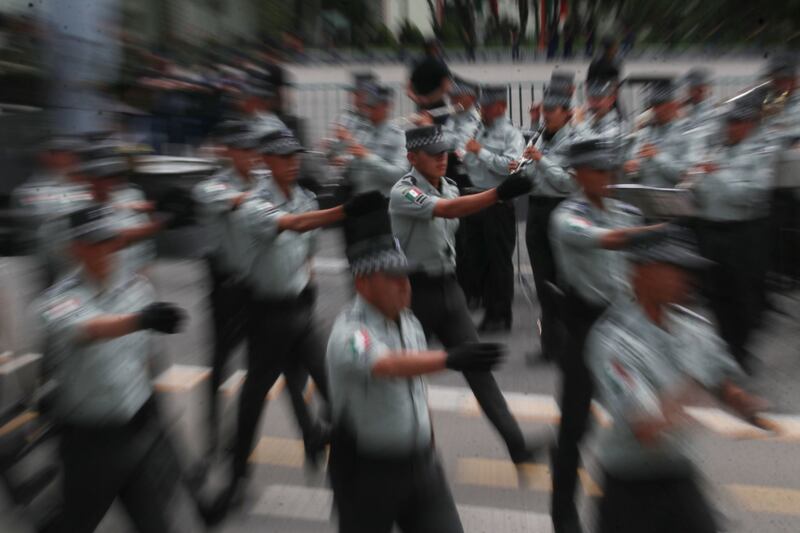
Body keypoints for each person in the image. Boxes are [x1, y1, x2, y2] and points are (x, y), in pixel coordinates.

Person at [209, 129, 385, 521]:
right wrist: (344, 212)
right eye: (284, 158)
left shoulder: (305, 196)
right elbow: (295, 225)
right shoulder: (256, 204)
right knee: (254, 397)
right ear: (267, 161)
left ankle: (355, 467)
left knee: (333, 387)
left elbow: (307, 252)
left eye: (296, 157)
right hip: (265, 313)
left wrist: (308, 292)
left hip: (300, 311)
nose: (293, 163)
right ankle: (236, 480)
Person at [327, 204, 506, 533]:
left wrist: (428, 439)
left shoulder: (409, 323)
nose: (405, 285)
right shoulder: (350, 334)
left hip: (422, 469)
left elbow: (416, 389)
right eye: (393, 277)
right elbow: (386, 364)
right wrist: (450, 358)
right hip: (369, 475)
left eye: (406, 275)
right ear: (363, 283)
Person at [587, 227, 771, 533]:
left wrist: (742, 401)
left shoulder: (692, 327)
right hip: (629, 489)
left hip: (678, 475)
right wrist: (690, 395)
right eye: (674, 268)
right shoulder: (613, 342)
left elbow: (719, 378)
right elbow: (645, 427)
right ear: (641, 272)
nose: (686, 278)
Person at [32, 204, 198, 533]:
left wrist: (156, 420)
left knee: (156, 525)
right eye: (94, 242)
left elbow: (146, 363)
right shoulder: (60, 301)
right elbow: (89, 328)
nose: (106, 250)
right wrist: (140, 320)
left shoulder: (137, 291)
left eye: (110, 240)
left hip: (135, 437)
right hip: (88, 445)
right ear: (76, 248)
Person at [389, 125, 544, 465]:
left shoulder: (449, 186)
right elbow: (447, 210)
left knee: (479, 371)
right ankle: (409, 451)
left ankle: (517, 446)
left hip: (448, 290)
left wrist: (499, 194)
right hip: (413, 294)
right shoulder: (404, 192)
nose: (442, 158)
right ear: (412, 158)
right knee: (406, 379)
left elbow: (461, 207)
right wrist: (499, 194)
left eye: (444, 152)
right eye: (433, 154)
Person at [549, 138, 667, 533]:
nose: (608, 176)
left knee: (641, 416)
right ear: (579, 175)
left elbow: (642, 257)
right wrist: (661, 230)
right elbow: (607, 239)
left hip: (625, 323)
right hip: (585, 325)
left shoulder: (624, 210)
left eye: (610, 169)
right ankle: (563, 512)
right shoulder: (566, 216)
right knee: (575, 427)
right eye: (599, 170)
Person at [192, 121, 268, 453]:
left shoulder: (266, 182)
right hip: (227, 285)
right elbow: (224, 200)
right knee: (221, 362)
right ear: (231, 153)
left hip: (260, 285)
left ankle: (240, 441)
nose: (252, 156)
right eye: (245, 150)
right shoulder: (214, 187)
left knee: (257, 367)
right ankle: (211, 434)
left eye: (255, 150)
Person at [691, 97, 777, 373]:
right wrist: (697, 181)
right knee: (716, 294)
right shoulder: (717, 150)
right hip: (712, 229)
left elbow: (752, 194)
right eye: (729, 122)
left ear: (751, 124)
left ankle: (740, 350)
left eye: (737, 122)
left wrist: (716, 176)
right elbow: (701, 192)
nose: (731, 128)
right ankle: (726, 347)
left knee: (745, 296)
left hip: (744, 232)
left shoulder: (761, 152)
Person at [509, 84, 578, 365]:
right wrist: (520, 167)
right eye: (545, 110)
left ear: (567, 113)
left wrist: (542, 161)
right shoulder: (540, 137)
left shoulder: (574, 141)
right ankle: (550, 345)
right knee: (543, 281)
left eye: (552, 111)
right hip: (537, 209)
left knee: (563, 280)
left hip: (559, 209)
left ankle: (570, 346)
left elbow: (569, 182)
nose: (546, 115)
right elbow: (532, 172)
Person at [462, 85, 525, 331]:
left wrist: (482, 153)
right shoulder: (480, 130)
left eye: (487, 106)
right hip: (477, 198)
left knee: (499, 262)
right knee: (479, 259)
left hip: (498, 203)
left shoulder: (512, 135)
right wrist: (469, 154)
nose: (483, 111)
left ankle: (501, 315)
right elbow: (470, 162)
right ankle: (489, 310)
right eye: (481, 106)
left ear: (501, 106)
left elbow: (512, 167)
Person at [337, 82, 409, 196]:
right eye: (367, 105)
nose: (368, 109)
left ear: (387, 106)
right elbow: (354, 170)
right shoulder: (361, 132)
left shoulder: (398, 136)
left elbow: (400, 174)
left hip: (385, 200)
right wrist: (345, 158)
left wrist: (368, 157)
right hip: (359, 198)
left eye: (373, 106)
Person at [624, 79, 699, 188]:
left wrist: (658, 156)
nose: (656, 110)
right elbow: (633, 169)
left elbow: (685, 175)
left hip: (672, 198)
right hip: (645, 196)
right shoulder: (645, 133)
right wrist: (632, 167)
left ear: (674, 105)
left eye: (660, 105)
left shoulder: (688, 134)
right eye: (654, 105)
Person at [407, 38, 452, 124]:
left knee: (423, 135)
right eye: (439, 47)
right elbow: (446, 87)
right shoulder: (440, 64)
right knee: (440, 134)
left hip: (422, 110)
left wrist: (418, 99)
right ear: (435, 48)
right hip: (439, 109)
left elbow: (408, 90)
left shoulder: (417, 65)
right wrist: (429, 99)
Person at [574, 80, 627, 146]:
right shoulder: (591, 121)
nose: (591, 104)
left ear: (611, 99)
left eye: (597, 99)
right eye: (589, 99)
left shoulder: (619, 126)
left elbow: (598, 148)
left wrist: (580, 124)